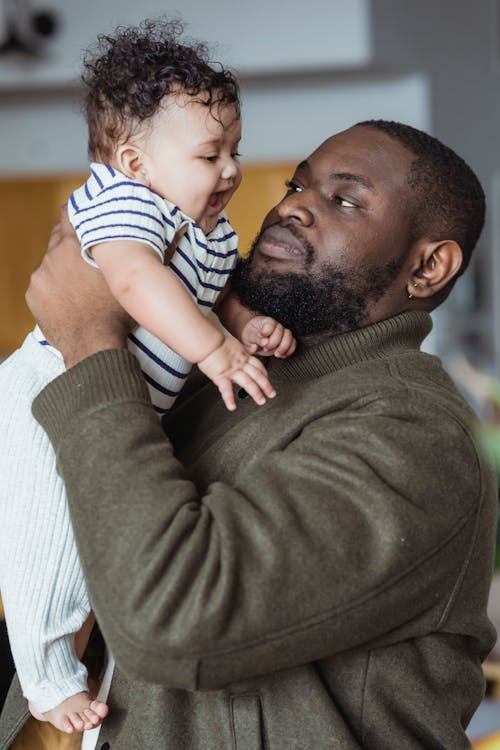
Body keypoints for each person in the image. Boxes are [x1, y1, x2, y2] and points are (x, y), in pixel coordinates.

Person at [1, 120, 497, 750]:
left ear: (429, 267)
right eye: (297, 185)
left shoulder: (414, 433)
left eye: (343, 200)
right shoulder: (214, 363)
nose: (292, 207)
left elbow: (174, 618)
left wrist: (90, 343)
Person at [0, 18, 296, 738]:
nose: (228, 170)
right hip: (49, 389)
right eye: (208, 154)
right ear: (133, 161)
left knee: (89, 545)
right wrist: (217, 353)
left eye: (234, 150)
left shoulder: (208, 230)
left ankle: (65, 665)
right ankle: (44, 683)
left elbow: (206, 294)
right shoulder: (127, 204)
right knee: (48, 548)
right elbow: (134, 283)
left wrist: (240, 324)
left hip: (106, 402)